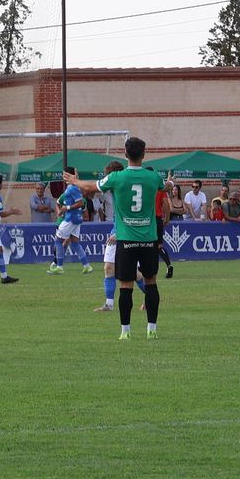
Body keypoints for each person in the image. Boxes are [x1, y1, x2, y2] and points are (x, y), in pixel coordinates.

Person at [66, 137, 163, 341]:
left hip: (126, 239)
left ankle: (125, 331)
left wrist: (75, 181)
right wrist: (171, 183)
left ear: (125, 154)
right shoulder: (153, 177)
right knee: (151, 281)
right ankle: (152, 329)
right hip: (148, 239)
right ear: (144, 154)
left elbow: (90, 187)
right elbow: (166, 186)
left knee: (125, 286)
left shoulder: (117, 178)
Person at [94, 161, 124, 312]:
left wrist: (118, 233)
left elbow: (129, 215)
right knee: (109, 267)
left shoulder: (123, 192)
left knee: (132, 274)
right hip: (117, 230)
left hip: (123, 233)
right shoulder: (113, 191)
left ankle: (150, 296)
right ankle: (109, 304)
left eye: (107, 176)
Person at [48, 173, 92, 274]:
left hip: (70, 218)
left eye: (66, 176)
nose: (64, 178)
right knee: (75, 243)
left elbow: (80, 203)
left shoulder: (73, 188)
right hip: (76, 218)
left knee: (58, 241)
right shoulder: (73, 188)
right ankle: (86, 266)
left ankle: (59, 266)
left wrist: (66, 208)